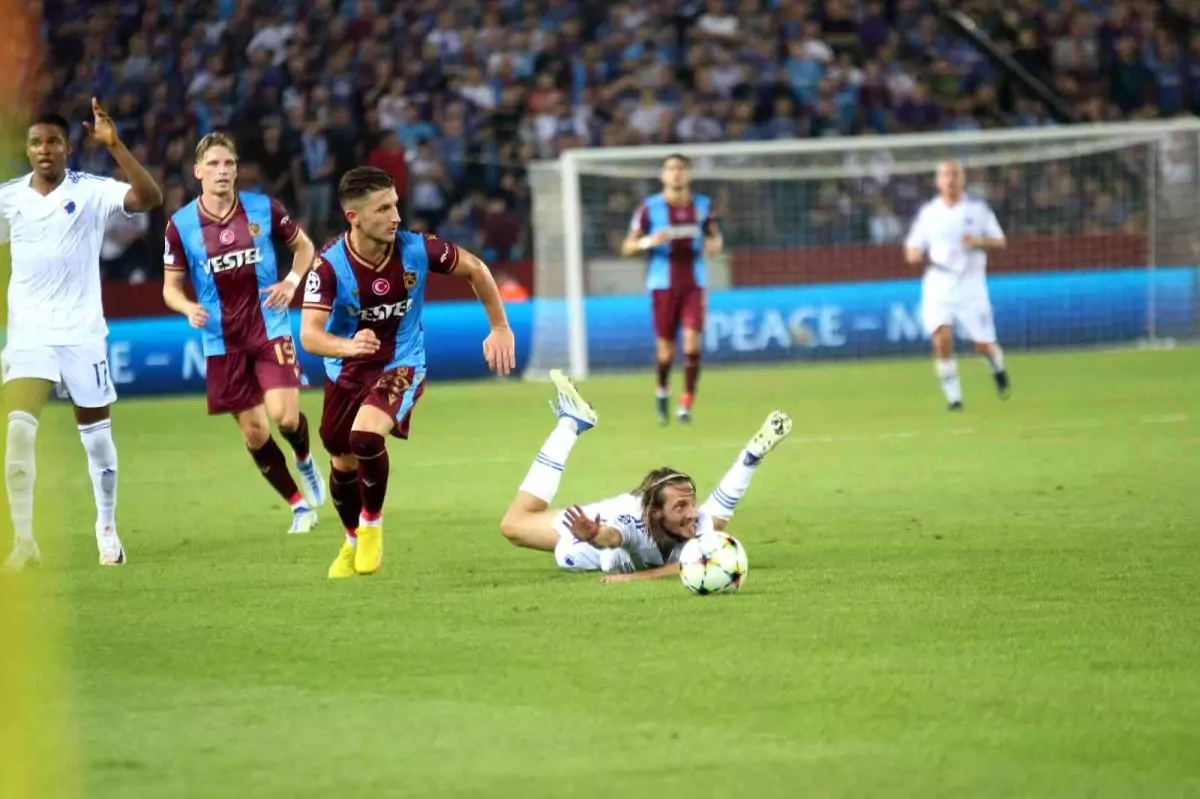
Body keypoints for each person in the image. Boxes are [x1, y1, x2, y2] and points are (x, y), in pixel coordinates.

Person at [300, 166, 516, 579]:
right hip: (345, 370)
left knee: (365, 436)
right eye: (383, 209)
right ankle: (350, 540)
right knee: (341, 461)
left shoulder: (417, 248)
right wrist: (348, 346)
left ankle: (372, 524)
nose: (396, 216)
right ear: (355, 218)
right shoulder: (328, 267)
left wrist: (500, 327)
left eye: (396, 205)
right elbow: (310, 336)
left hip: (402, 362)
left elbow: (475, 268)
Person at [0, 101, 163, 570]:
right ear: (28, 151)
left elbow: (149, 198)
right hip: (29, 337)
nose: (44, 149)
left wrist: (116, 147)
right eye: (36, 143)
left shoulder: (91, 191)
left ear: (68, 148)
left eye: (52, 141)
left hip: (81, 334)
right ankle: (24, 541)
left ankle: (106, 527)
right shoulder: (10, 198)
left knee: (95, 441)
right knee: (16, 438)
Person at [162, 132, 325, 534]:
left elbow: (305, 248)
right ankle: (299, 507)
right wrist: (187, 307)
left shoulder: (264, 209)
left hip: (268, 327)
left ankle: (304, 458)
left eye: (229, 164)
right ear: (198, 171)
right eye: (214, 164)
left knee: (286, 418)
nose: (223, 171)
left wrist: (290, 283)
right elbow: (170, 288)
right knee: (255, 433)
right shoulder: (181, 225)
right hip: (222, 339)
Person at [499, 370, 791, 582]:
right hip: (593, 529)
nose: (692, 512)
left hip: (614, 522)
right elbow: (612, 537)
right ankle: (570, 425)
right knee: (515, 525)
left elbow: (703, 546)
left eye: (691, 502)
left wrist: (637, 578)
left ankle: (750, 457)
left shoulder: (693, 519)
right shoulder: (633, 525)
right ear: (654, 514)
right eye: (680, 506)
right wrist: (593, 534)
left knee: (711, 523)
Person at [621, 154, 723, 426]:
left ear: (688, 174)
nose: (676, 173)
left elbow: (714, 237)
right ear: (663, 175)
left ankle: (686, 403)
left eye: (680, 168)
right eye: (671, 168)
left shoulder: (703, 206)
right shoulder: (649, 208)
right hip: (662, 286)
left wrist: (715, 245)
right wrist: (648, 242)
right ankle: (662, 391)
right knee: (665, 352)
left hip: (694, 284)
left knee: (691, 344)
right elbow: (627, 246)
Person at [903, 161, 1011, 411]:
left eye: (955, 175)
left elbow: (1000, 241)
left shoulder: (978, 210)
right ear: (938, 181)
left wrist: (978, 240)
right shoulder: (929, 213)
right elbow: (912, 248)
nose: (950, 179)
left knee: (982, 345)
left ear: (963, 180)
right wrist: (914, 255)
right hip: (939, 281)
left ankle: (997, 366)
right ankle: (955, 400)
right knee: (941, 339)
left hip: (971, 284)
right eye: (945, 175)